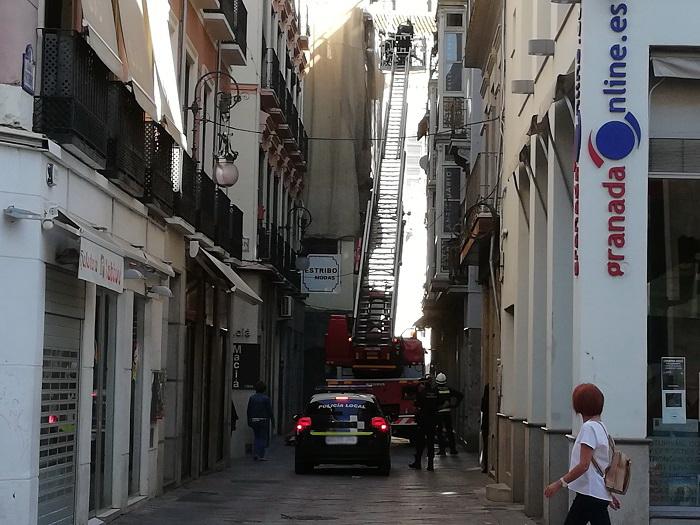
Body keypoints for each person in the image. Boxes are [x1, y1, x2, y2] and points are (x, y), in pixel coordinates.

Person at [544, 383, 622, 524]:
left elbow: (584, 465)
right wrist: (607, 495)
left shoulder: (589, 428)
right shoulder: (601, 427)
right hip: (595, 493)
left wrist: (558, 484)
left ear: (579, 405)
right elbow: (600, 465)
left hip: (590, 493)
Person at [409, 374, 439, 471]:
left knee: (420, 443)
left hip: (422, 421)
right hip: (433, 420)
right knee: (431, 442)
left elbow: (416, 404)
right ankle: (430, 464)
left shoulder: (422, 393)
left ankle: (418, 462)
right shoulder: (435, 393)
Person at [435, 372, 463, 455]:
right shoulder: (449, 389)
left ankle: (442, 450)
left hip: (439, 413)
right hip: (447, 412)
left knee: (439, 432)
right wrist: (455, 405)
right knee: (449, 431)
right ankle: (453, 449)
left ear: (437, 381)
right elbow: (460, 395)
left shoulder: (435, 390)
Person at [247, 381, 273, 461]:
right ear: (264, 389)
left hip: (254, 420)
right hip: (263, 420)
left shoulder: (252, 398)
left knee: (256, 437)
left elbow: (249, 410)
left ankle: (255, 453)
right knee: (262, 438)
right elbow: (269, 411)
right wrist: (272, 420)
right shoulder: (266, 398)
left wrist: (249, 420)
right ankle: (261, 455)